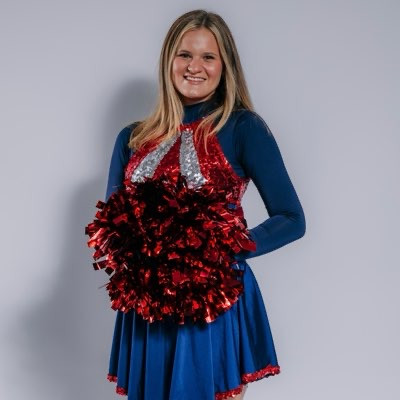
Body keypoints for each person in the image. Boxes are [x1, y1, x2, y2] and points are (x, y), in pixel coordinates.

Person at [92, 9, 306, 400]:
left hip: (212, 301)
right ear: (168, 61)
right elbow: (111, 228)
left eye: (208, 56)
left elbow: (292, 218)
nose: (195, 67)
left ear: (225, 66)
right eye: (185, 55)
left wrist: (224, 247)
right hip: (148, 307)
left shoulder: (243, 128)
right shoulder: (132, 138)